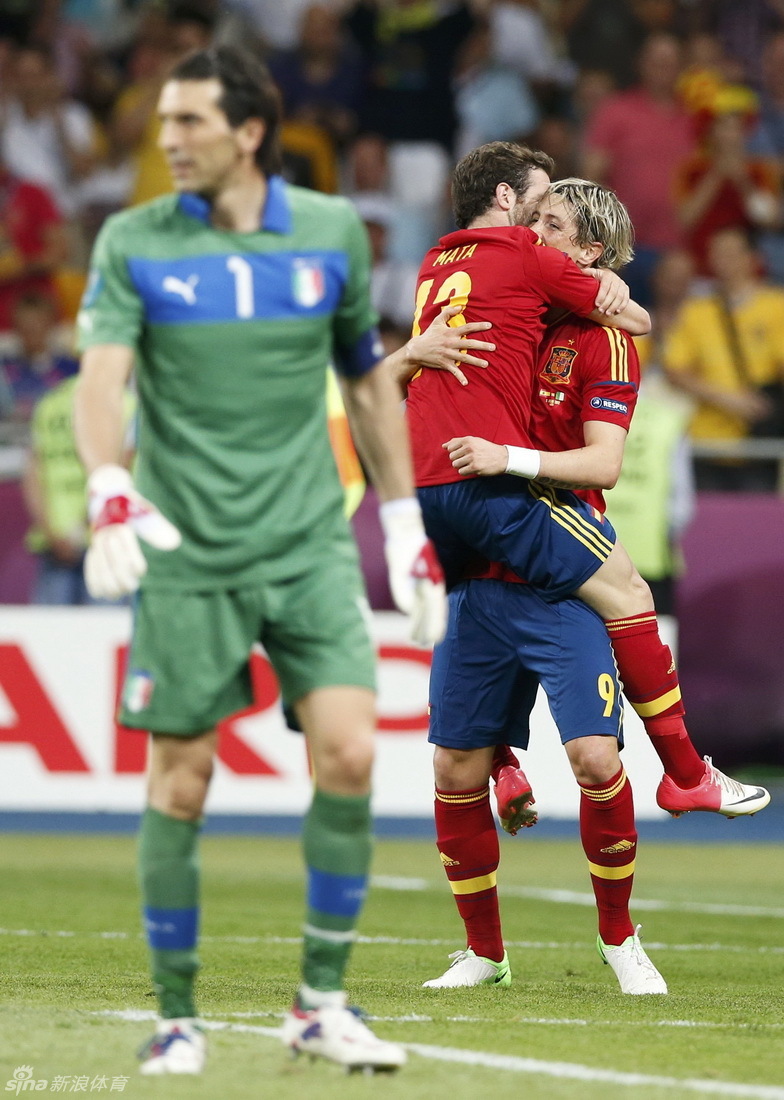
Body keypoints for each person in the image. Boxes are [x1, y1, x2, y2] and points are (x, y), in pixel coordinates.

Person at [72, 45, 484, 1076]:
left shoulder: (330, 230)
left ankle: (320, 1002)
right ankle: (178, 1017)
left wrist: (401, 529)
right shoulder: (133, 240)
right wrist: (104, 479)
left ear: (249, 132)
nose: (167, 141)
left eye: (189, 123)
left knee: (348, 752)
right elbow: (101, 377)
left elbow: (369, 384)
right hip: (190, 550)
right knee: (183, 780)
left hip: (305, 544)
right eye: (163, 122)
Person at [663, 225, 784, 491]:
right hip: (707, 442)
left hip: (760, 440)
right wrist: (728, 399)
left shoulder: (777, 306)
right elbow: (674, 370)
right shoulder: (696, 310)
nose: (722, 260)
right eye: (717, 253)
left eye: (731, 252)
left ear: (754, 258)